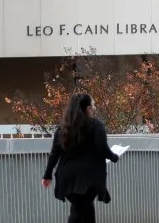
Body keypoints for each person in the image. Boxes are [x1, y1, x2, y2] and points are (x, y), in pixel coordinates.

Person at [41, 94, 119, 223]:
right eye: (93, 105)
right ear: (88, 108)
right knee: (78, 211)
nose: (94, 108)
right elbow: (103, 149)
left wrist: (47, 175)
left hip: (67, 176)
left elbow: (55, 153)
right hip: (89, 177)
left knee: (85, 208)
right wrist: (115, 157)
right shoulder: (96, 125)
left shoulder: (63, 128)